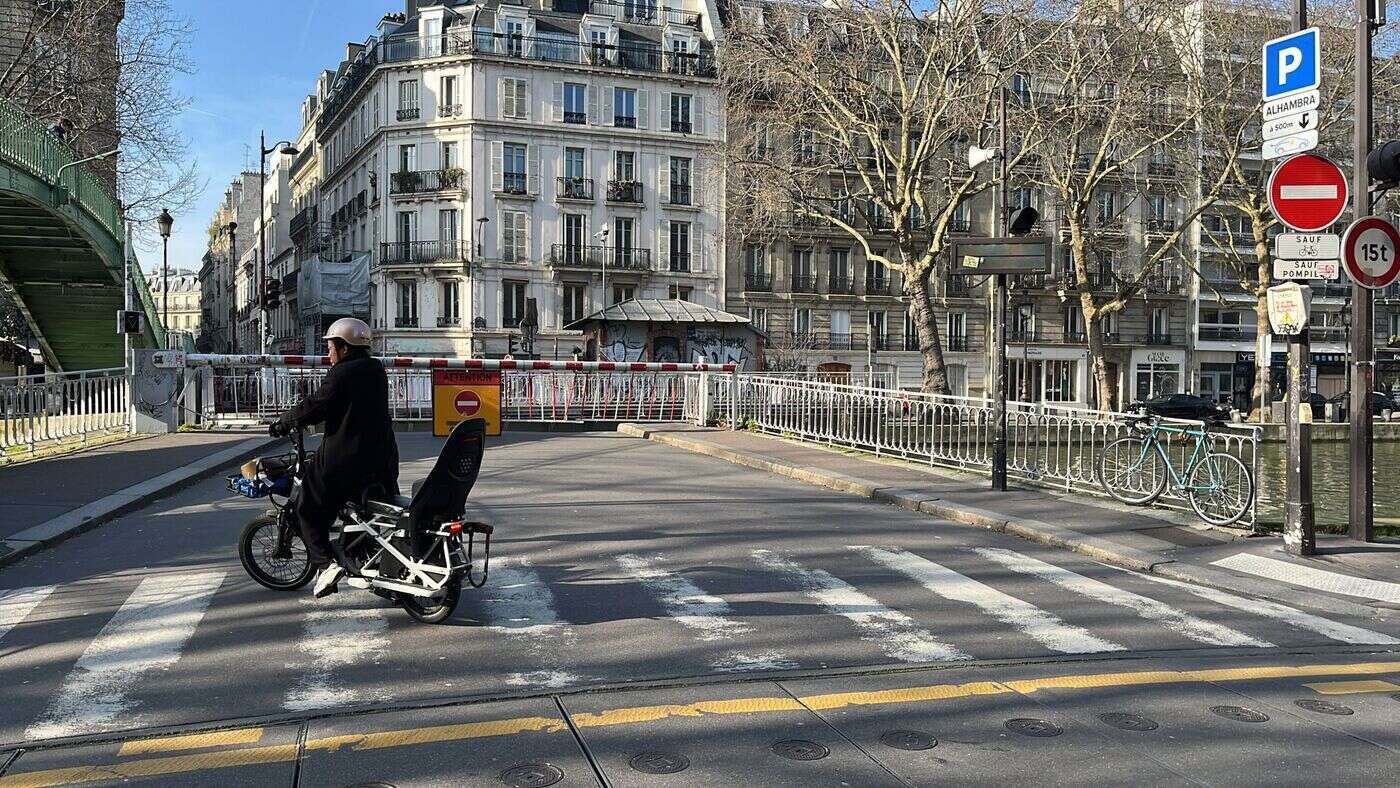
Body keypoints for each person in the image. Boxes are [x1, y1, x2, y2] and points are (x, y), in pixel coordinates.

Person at [271, 317, 399, 597]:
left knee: (308, 506)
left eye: (330, 347)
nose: (328, 353)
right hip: (383, 458)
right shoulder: (376, 369)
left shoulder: (341, 374)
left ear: (344, 347)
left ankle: (325, 565)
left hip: (346, 459)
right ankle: (362, 563)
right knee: (367, 512)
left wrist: (284, 421)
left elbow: (315, 406)